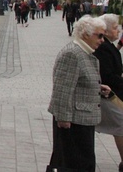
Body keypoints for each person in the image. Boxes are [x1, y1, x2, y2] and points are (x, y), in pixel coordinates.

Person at [48, 15, 110, 171]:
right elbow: (62, 90)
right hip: (74, 122)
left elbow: (78, 82)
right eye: (100, 35)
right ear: (85, 34)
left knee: (83, 162)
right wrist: (63, 119)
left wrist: (97, 87)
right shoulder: (72, 54)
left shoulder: (84, 52)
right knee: (74, 163)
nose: (103, 40)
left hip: (83, 118)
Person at [95, 13, 123, 171]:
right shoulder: (103, 48)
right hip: (106, 95)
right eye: (115, 28)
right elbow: (107, 76)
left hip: (113, 92)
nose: (118, 31)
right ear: (104, 31)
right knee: (121, 124)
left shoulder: (109, 46)